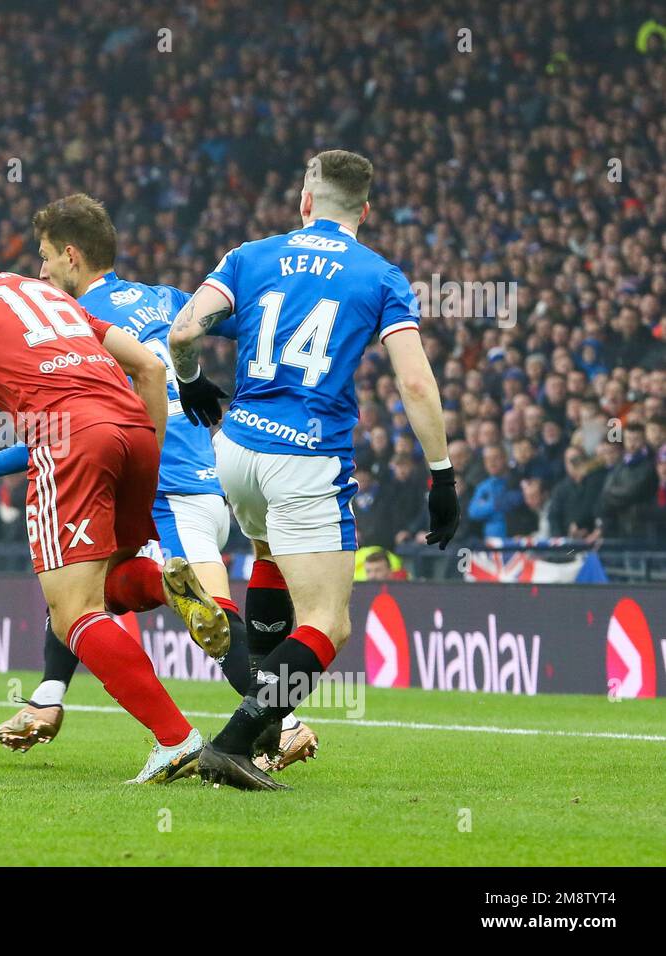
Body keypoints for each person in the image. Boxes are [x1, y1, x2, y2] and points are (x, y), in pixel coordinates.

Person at [0, 194, 315, 772]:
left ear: (71, 256)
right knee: (84, 583)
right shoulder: (165, 298)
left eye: (44, 258)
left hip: (168, 490)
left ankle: (283, 722)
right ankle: (48, 695)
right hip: (208, 480)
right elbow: (239, 325)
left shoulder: (72, 323)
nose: (40, 272)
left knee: (208, 618)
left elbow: (68, 425)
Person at [168, 149, 460, 790]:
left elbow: (185, 331)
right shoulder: (380, 275)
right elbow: (414, 380)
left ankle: (266, 733)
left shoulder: (249, 255)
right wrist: (441, 472)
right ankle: (236, 741)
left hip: (237, 449)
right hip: (306, 456)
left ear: (305, 203)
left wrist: (191, 384)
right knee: (328, 624)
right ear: (366, 209)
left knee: (269, 558)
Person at [0, 200, 226, 783]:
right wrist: (146, 448)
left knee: (73, 615)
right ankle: (166, 583)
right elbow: (150, 369)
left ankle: (176, 739)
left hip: (70, 439)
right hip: (135, 432)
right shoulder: (54, 296)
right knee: (109, 585)